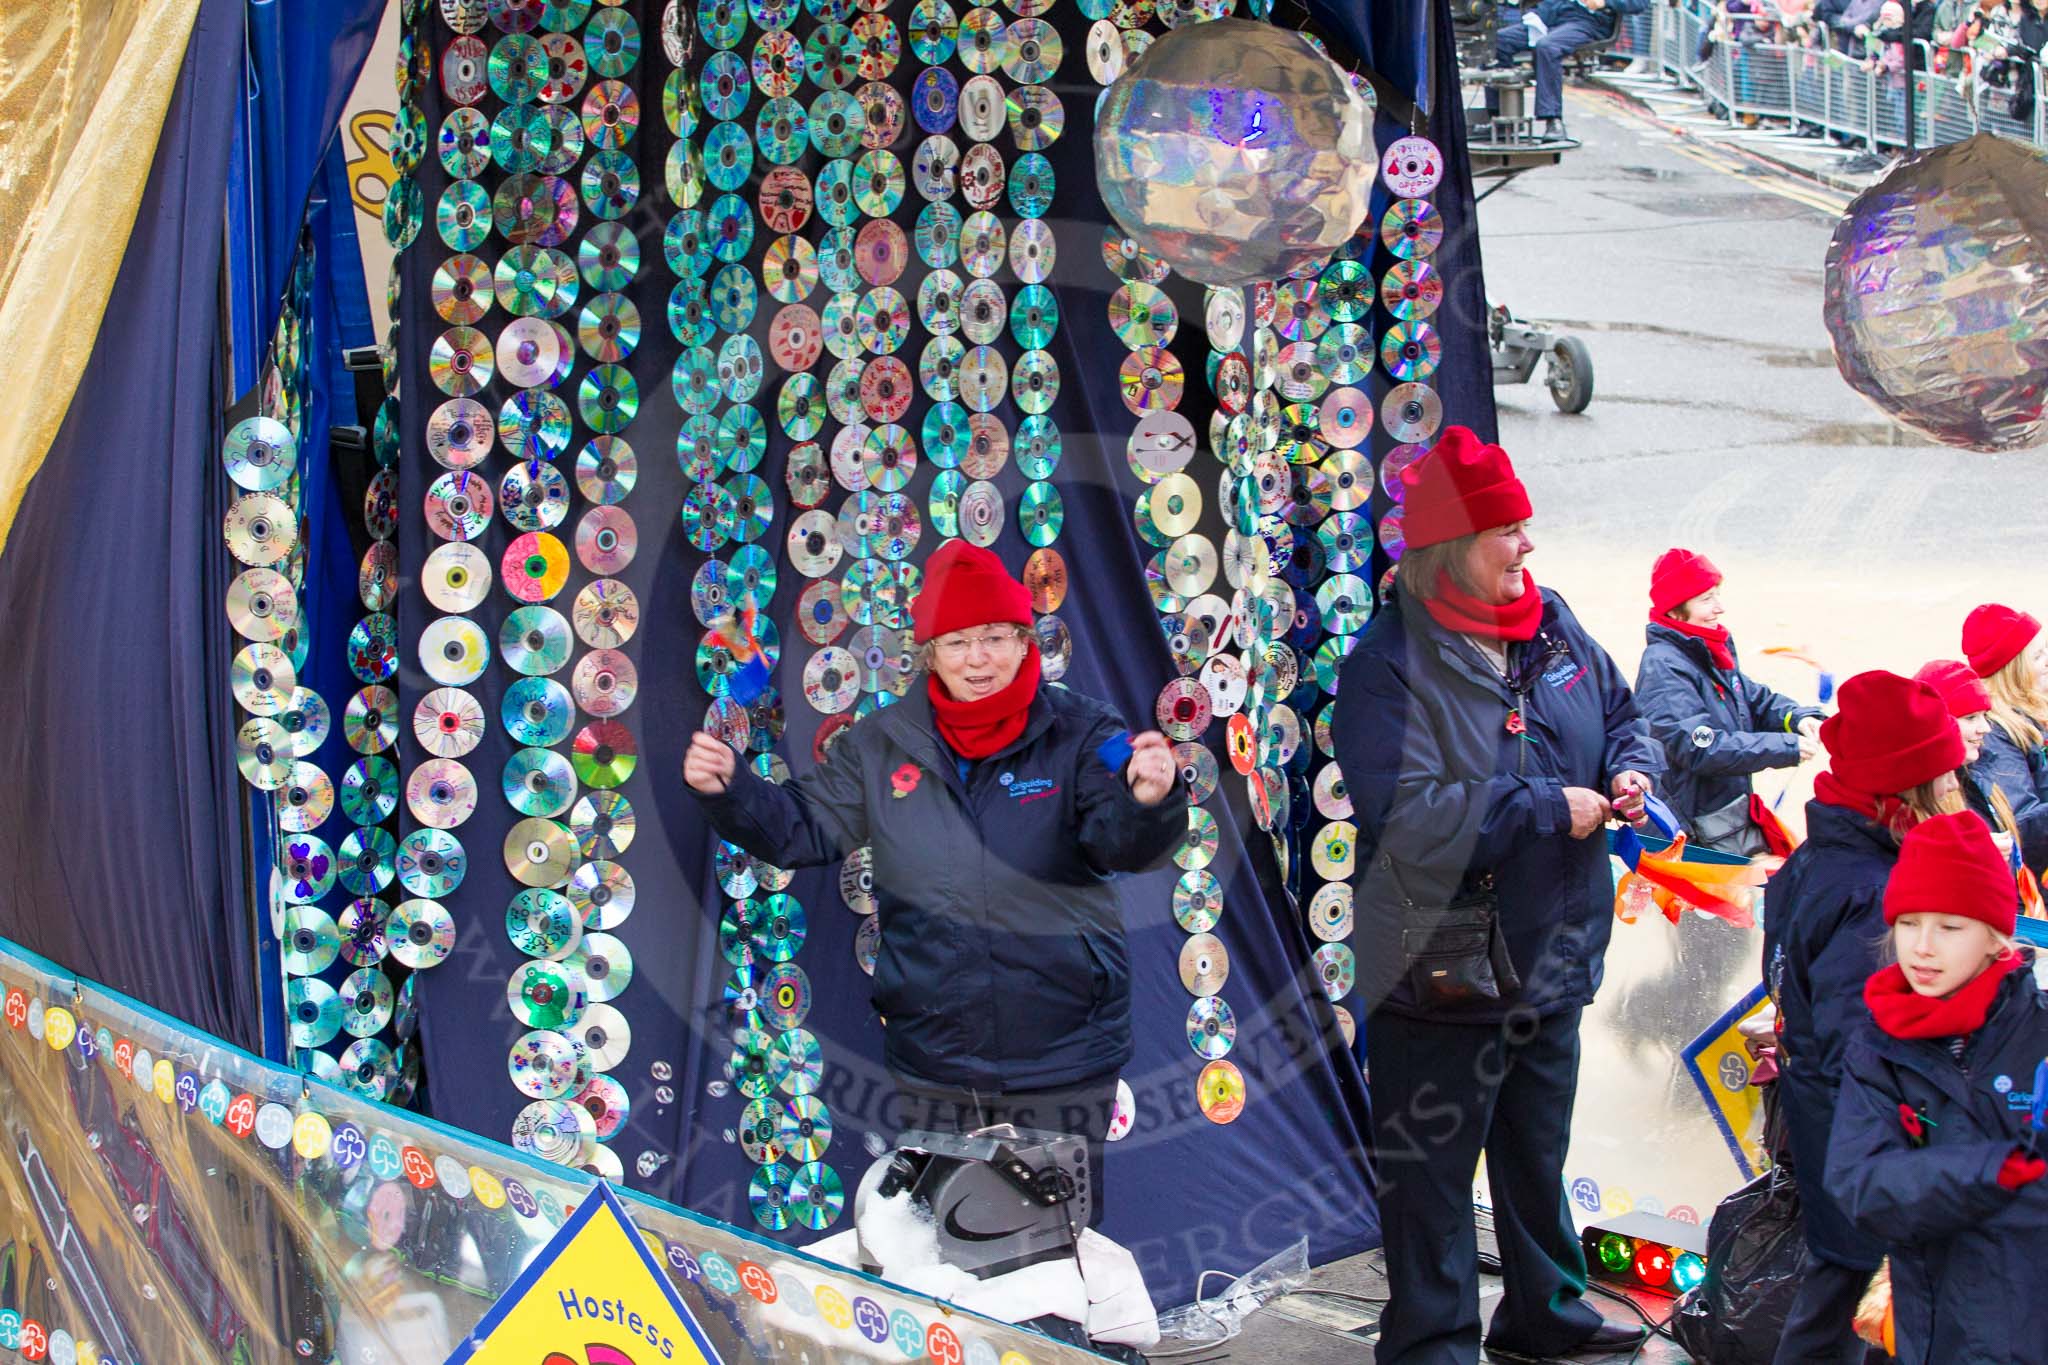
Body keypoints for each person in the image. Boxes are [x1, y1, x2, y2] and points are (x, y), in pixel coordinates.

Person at [681, 540, 1186, 1227]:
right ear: (929, 652)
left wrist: (1148, 797)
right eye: (957, 643)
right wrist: (732, 791)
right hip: (937, 1057)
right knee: (952, 1241)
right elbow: (802, 828)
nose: (979, 660)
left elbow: (1119, 844)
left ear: (1021, 637)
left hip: (1064, 1052)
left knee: (1059, 1244)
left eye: (995, 638)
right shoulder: (878, 744)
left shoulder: (1085, 731)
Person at [1335, 426, 1662, 1364]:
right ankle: (1434, 1342)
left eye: (1525, 524)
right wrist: (1543, 806)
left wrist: (1630, 772)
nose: (1527, 545)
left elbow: (1620, 713)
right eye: (1507, 530)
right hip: (1441, 971)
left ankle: (1545, 1317)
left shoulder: (1552, 621)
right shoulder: (1389, 662)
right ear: (1451, 548)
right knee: (1431, 1177)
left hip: (1552, 953)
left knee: (1536, 1152)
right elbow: (1404, 811)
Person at [1761, 671, 1965, 1365]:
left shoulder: (1818, 861)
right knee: (1865, 1302)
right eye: (1941, 782)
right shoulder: (1875, 895)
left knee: (1844, 1291)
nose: (1952, 796)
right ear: (1900, 797)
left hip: (1830, 1128)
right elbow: (1869, 1044)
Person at [1826, 811, 2048, 1365]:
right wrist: (1994, 1172)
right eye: (1908, 923)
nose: (1923, 947)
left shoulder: (2039, 1033)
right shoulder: (1878, 1049)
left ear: (1997, 938)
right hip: (1938, 1332)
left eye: (1950, 927)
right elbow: (1860, 1184)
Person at [1633, 548, 1823, 857]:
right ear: (1675, 609)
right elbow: (1701, 746)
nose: (1719, 608)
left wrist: (1798, 718)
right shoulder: (1664, 667)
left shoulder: (1706, 649)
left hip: (1726, 818)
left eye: (1717, 595)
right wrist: (1784, 747)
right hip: (1693, 831)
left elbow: (1752, 698)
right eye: (1706, 600)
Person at [1914, 658, 2047, 869]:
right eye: (1970, 718)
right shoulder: (1922, 795)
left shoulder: (1979, 771)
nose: (1985, 727)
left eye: (1984, 715)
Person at [1493, 0, 1651, 139]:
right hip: (1552, 14)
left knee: (1548, 47)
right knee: (1496, 42)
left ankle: (1553, 120)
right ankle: (1498, 118)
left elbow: (1640, 3)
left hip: (1587, 21)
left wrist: (1605, 2)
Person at [1965, 602, 2048, 840]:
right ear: (2013, 671)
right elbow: (2019, 824)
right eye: (2037, 657)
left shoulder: (2034, 712)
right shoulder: (1992, 734)